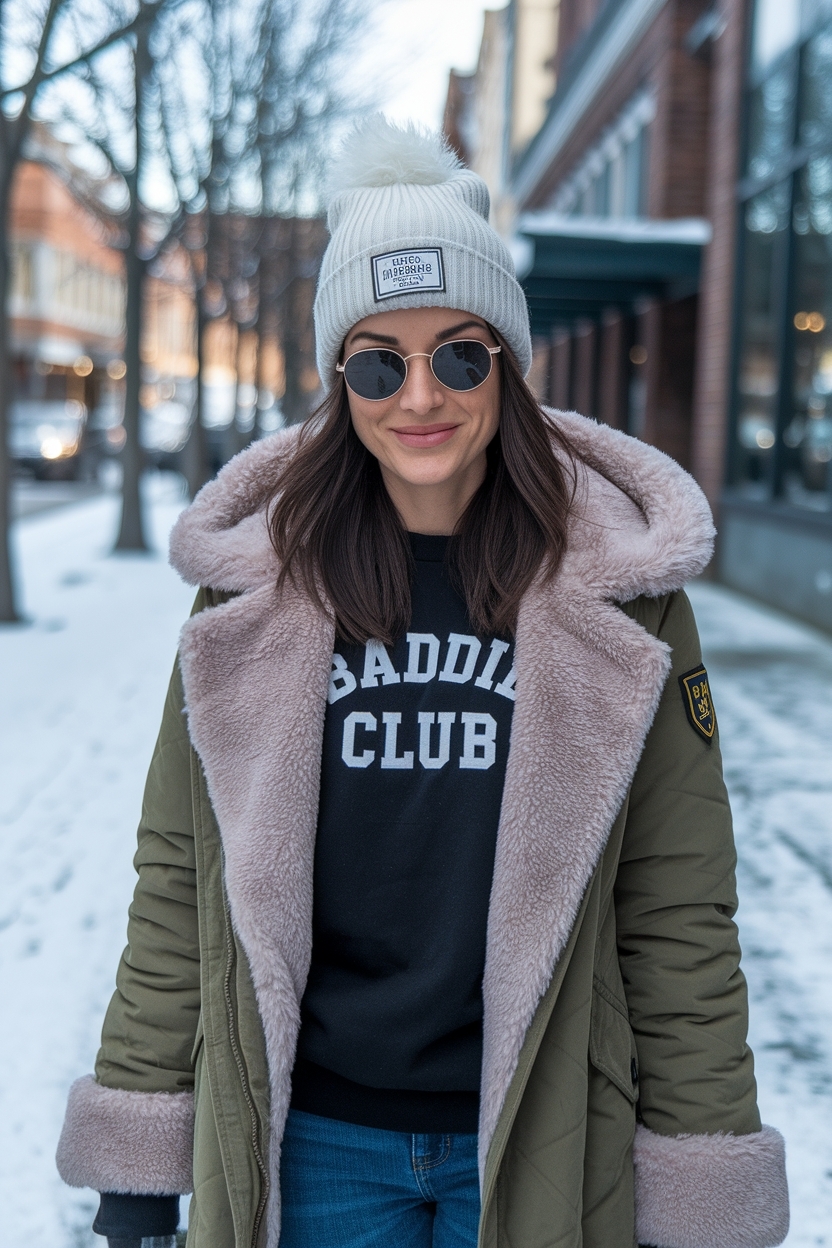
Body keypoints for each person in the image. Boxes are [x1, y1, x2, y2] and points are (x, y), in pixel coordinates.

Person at [56, 117, 789, 1248]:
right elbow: (178, 882)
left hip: (544, 1136)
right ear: (339, 380)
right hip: (315, 1144)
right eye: (375, 362)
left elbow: (677, 907)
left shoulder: (621, 601)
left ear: (507, 364)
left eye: (458, 355)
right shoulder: (253, 597)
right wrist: (140, 1156)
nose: (420, 397)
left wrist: (701, 1178)